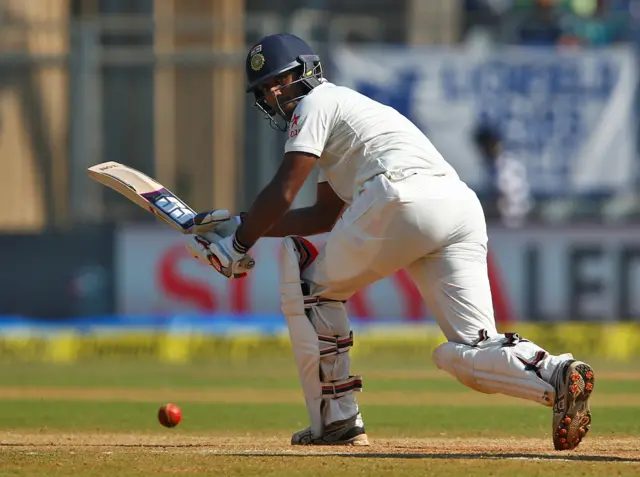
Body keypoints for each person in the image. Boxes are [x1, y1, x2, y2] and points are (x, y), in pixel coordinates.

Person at [185, 33, 594, 450]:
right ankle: (558, 374)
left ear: (307, 72)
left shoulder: (315, 104)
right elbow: (322, 215)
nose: (274, 93)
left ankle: (337, 421)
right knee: (467, 351)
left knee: (310, 287)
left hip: (402, 197)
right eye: (264, 89)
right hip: (457, 206)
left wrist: (237, 243)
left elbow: (284, 190)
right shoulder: (345, 115)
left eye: (281, 80)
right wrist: (239, 223)